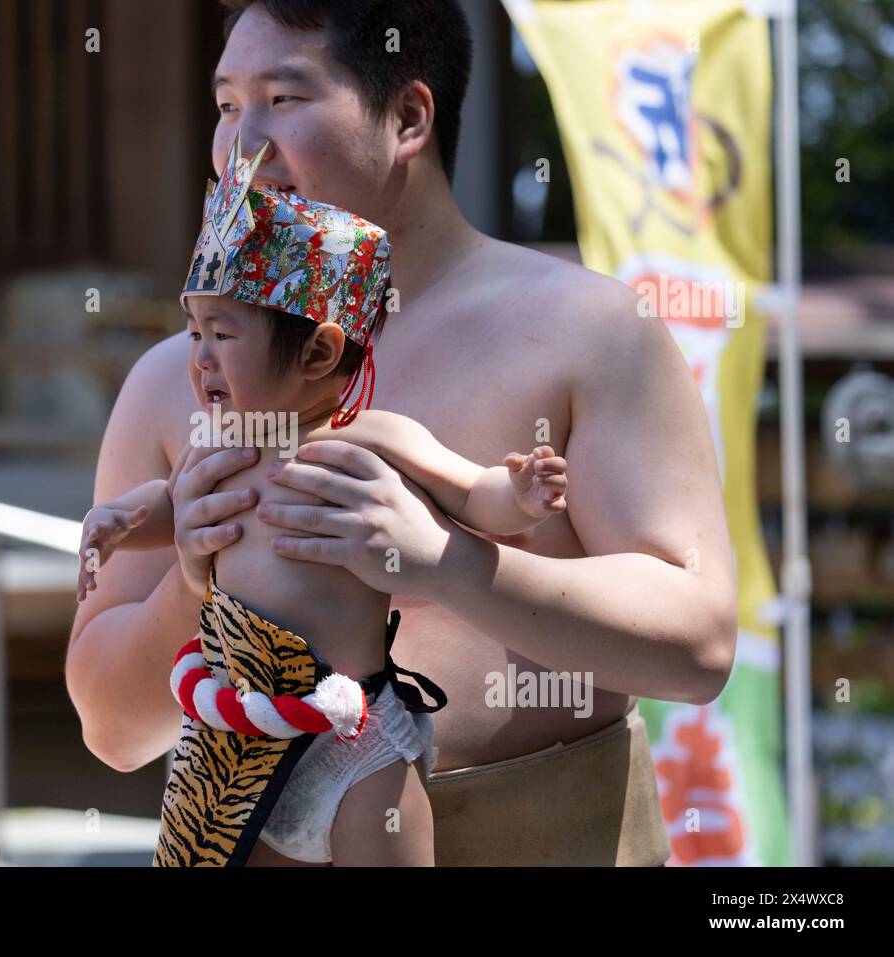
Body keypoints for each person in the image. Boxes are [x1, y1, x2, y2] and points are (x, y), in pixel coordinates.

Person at [67, 0, 736, 866]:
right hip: (260, 821)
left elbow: (699, 644)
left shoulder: (589, 329)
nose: (243, 145)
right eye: (228, 105)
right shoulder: (180, 377)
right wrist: (193, 579)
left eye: (284, 99)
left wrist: (441, 561)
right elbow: (111, 729)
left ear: (409, 116)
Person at [77, 139, 569, 865]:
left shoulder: (374, 438)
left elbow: (470, 493)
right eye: (193, 333)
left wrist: (519, 492)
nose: (200, 358)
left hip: (354, 736)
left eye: (222, 334)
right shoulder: (216, 445)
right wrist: (120, 520)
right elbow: (173, 505)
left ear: (316, 353)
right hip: (235, 741)